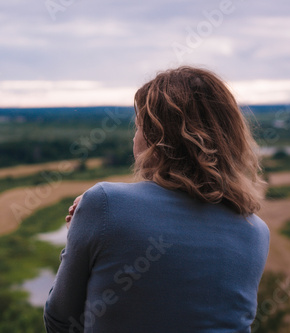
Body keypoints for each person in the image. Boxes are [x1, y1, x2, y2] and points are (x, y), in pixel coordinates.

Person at [43, 66, 270, 333]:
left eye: (138, 126)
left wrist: (78, 236)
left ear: (157, 138)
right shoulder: (257, 232)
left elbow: (60, 321)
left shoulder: (105, 204)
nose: (133, 137)